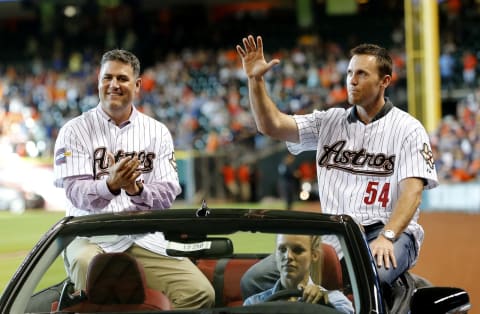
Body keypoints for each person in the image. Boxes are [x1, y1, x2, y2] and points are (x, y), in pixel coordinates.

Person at [236, 35, 438, 297]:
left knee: (364, 283)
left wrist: (388, 236)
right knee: (253, 281)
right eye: (349, 73)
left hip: (387, 231)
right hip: (332, 232)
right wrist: (255, 80)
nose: (352, 81)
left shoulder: (408, 129)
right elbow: (271, 125)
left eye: (362, 74)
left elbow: (412, 192)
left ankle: (400, 288)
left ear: (384, 81)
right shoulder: (329, 121)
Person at [53, 49, 214, 309]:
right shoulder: (74, 130)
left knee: (199, 293)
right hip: (88, 236)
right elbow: (75, 192)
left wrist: (137, 189)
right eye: (107, 78)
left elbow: (167, 193)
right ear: (98, 81)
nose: (113, 85)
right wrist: (110, 185)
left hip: (142, 237)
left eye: (122, 78)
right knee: (89, 272)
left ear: (137, 85)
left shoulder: (157, 132)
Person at [243, 234, 354, 314]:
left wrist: (322, 306)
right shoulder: (253, 303)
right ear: (275, 255)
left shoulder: (337, 301)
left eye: (297, 250)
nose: (288, 256)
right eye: (282, 249)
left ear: (314, 255)